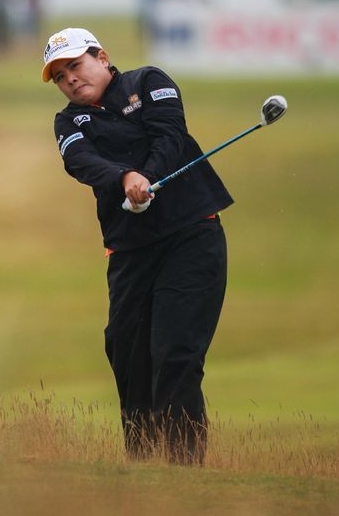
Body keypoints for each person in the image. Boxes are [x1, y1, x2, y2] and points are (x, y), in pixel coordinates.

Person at [42, 28, 233, 464]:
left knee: (175, 352)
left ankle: (183, 466)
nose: (70, 80)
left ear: (102, 57)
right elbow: (81, 161)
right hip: (129, 250)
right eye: (60, 77)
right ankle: (142, 467)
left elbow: (170, 135)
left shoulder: (148, 82)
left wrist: (146, 176)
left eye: (75, 66)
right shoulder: (67, 122)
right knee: (127, 355)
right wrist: (124, 178)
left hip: (191, 235)